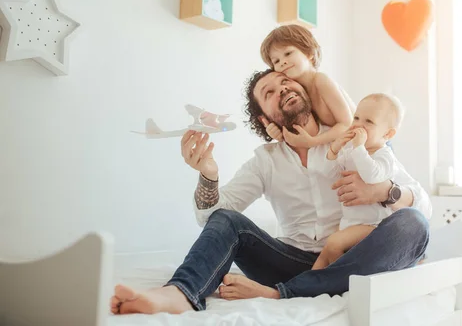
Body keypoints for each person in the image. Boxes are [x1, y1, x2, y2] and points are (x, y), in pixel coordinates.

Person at [110, 69, 432, 315]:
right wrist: (209, 175)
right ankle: (179, 293)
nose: (283, 89)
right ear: (265, 118)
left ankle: (282, 293)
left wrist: (382, 191)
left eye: (286, 83)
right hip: (289, 260)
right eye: (270, 92)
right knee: (228, 220)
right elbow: (211, 218)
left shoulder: (348, 141)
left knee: (413, 224)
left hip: (350, 259)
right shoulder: (265, 161)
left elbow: (422, 204)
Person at [312, 93, 404, 270]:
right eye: (356, 117)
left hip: (374, 225)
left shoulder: (384, 156)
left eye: (369, 121)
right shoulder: (352, 152)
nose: (359, 124)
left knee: (334, 243)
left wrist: (359, 147)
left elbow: (371, 175)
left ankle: (341, 281)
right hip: (350, 223)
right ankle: (305, 289)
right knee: (324, 256)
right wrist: (335, 148)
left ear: (388, 133)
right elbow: (329, 173)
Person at [259, 24, 355, 148]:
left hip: (372, 145)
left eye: (288, 53)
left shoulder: (321, 80)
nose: (282, 62)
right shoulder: (298, 92)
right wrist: (277, 132)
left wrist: (312, 141)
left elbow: (347, 124)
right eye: (276, 61)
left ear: (309, 53)